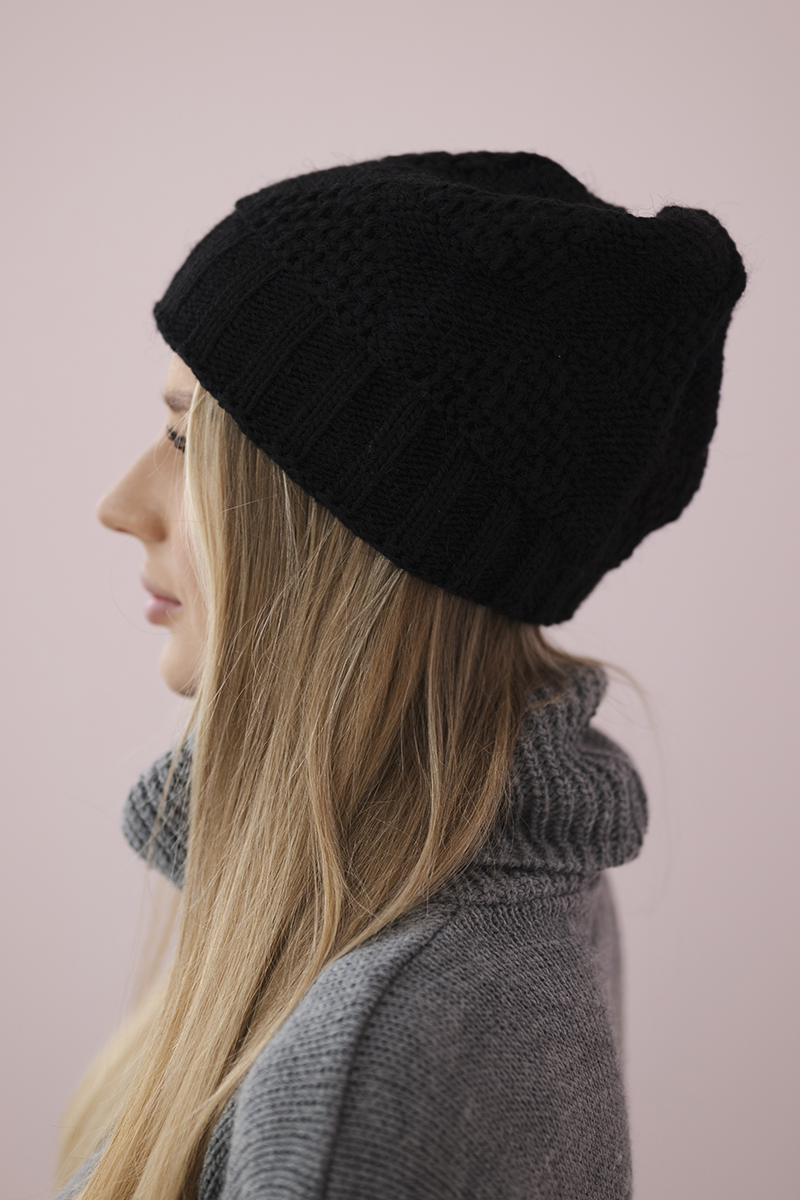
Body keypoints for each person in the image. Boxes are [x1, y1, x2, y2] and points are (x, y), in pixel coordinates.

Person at [54, 151, 746, 1200]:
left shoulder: (364, 1083)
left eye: (184, 440)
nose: (119, 504)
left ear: (349, 533)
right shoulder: (517, 894)